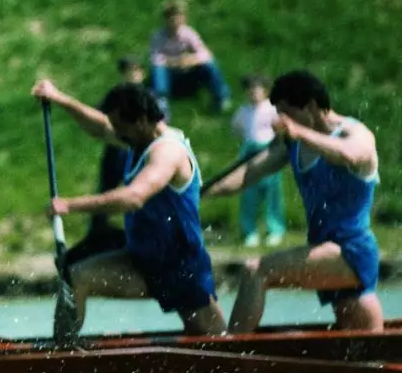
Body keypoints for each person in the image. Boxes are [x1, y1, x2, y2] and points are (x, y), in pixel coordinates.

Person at [31, 79, 225, 340]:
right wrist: (59, 98)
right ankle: (60, 357)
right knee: (75, 276)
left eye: (122, 128)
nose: (117, 135)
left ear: (142, 120)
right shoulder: (137, 138)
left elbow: (134, 197)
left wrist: (70, 204)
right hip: (141, 261)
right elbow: (101, 127)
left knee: (213, 339)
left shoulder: (167, 152)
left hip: (181, 267)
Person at [205, 70, 383, 333]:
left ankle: (230, 357)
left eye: (286, 114)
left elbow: (352, 156)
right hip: (324, 252)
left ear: (311, 106)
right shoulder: (294, 144)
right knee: (359, 352)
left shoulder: (354, 133)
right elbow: (249, 173)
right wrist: (200, 193)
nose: (281, 121)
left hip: (350, 251)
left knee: (256, 270)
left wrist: (298, 132)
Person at [64, 57, 156, 268]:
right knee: (106, 190)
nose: (131, 75)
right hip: (115, 153)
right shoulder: (115, 97)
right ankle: (98, 234)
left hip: (136, 155)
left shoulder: (149, 98)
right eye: (126, 71)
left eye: (135, 71)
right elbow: (97, 121)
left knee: (135, 194)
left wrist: (69, 205)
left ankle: (134, 237)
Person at [147, 0, 231, 115]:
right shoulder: (158, 36)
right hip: (170, 74)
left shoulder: (188, 33)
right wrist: (176, 62)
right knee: (158, 70)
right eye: (171, 17)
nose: (175, 21)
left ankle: (220, 97)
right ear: (165, 19)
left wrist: (191, 60)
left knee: (210, 65)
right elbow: (155, 59)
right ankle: (161, 101)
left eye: (179, 16)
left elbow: (205, 54)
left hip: (189, 73)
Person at [230, 74, 284, 248]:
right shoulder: (243, 111)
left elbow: (280, 129)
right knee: (249, 192)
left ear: (265, 91)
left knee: (271, 192)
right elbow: (237, 130)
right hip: (249, 151)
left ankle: (274, 229)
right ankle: (249, 231)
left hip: (268, 150)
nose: (253, 93)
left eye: (257, 89)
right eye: (250, 90)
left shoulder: (272, 109)